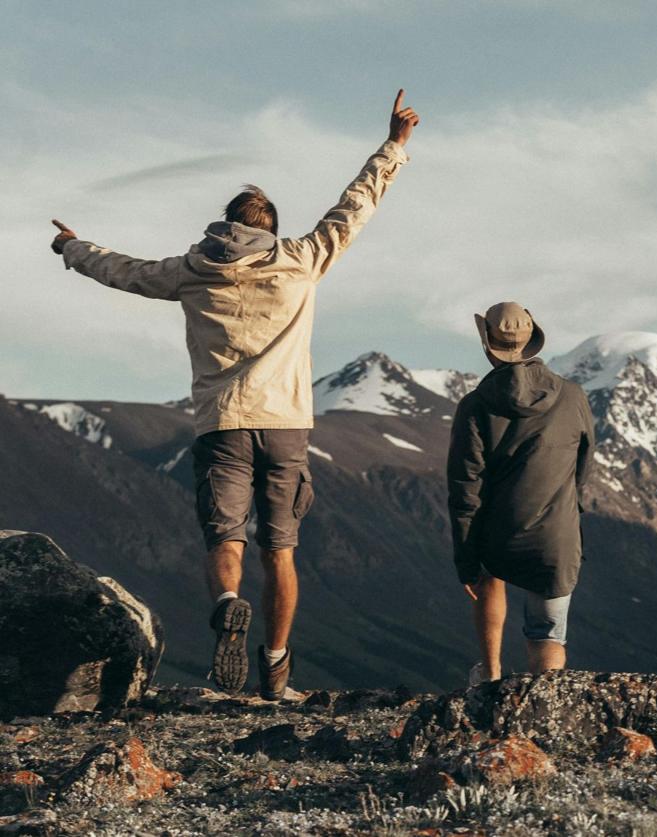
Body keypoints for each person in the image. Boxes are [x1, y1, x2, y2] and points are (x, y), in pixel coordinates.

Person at [49, 89, 421, 698]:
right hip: (285, 424)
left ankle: (227, 599)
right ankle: (275, 669)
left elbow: (123, 270)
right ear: (270, 228)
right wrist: (393, 146)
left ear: (225, 224)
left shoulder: (192, 270)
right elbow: (356, 206)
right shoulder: (302, 259)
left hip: (221, 423)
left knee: (225, 536)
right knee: (281, 550)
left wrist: (72, 247)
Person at [447, 302, 595, 684]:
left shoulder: (475, 406)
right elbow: (583, 467)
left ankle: (491, 676)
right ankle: (542, 706)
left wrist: (466, 556)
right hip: (556, 538)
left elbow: (466, 487)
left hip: (499, 533)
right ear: (532, 341)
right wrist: (568, 511)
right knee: (547, 632)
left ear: (487, 345)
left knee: (488, 575)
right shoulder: (573, 397)